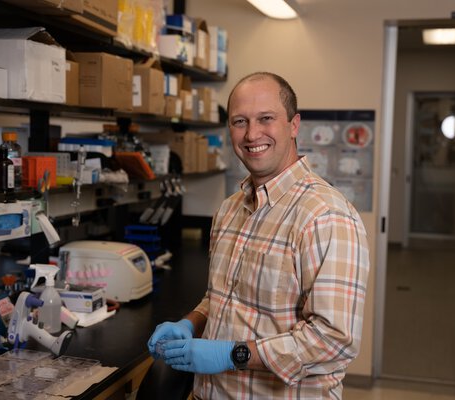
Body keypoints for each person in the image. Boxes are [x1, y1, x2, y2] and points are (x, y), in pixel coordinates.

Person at [147, 72, 370, 399]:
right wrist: (190, 323)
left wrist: (232, 355)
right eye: (240, 122)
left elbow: (333, 340)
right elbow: (223, 299)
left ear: (294, 125)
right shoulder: (230, 209)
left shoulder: (325, 216)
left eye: (266, 118)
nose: (252, 134)